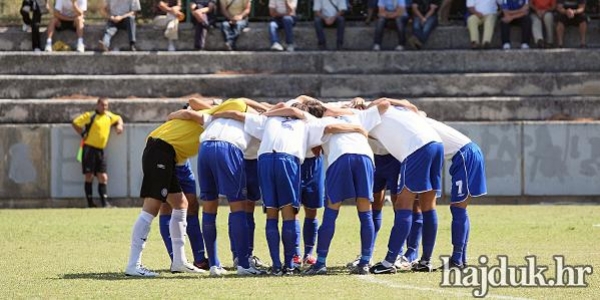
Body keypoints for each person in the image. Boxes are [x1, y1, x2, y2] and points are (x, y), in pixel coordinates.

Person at [124, 99, 247, 276]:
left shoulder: (208, 117)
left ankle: (179, 261)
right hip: (161, 150)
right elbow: (191, 107)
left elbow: (191, 105)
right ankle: (133, 264)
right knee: (151, 208)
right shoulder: (209, 118)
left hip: (165, 153)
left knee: (181, 204)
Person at [303, 100, 390, 275]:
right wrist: (357, 127)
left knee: (331, 211)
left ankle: (320, 263)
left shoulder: (320, 119)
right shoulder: (359, 116)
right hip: (365, 158)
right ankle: (365, 262)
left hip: (340, 157)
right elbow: (385, 104)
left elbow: (326, 130)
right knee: (365, 212)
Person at [368, 98, 444, 274]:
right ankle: (425, 260)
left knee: (403, 204)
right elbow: (409, 105)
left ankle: (389, 262)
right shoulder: (402, 110)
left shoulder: (368, 115)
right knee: (428, 205)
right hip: (436, 143)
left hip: (416, 149)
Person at [195, 98, 268, 276]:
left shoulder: (218, 116)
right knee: (238, 206)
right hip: (228, 148)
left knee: (209, 207)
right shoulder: (257, 120)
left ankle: (214, 265)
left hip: (204, 148)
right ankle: (243, 264)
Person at [71, 97, 123, 208]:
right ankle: (90, 203)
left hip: (100, 150)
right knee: (89, 175)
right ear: (97, 105)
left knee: (103, 176)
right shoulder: (91, 116)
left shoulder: (109, 116)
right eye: (102, 105)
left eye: (106, 105)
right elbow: (75, 122)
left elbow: (118, 118)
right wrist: (83, 133)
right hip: (89, 148)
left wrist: (120, 126)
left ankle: (105, 203)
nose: (104, 107)